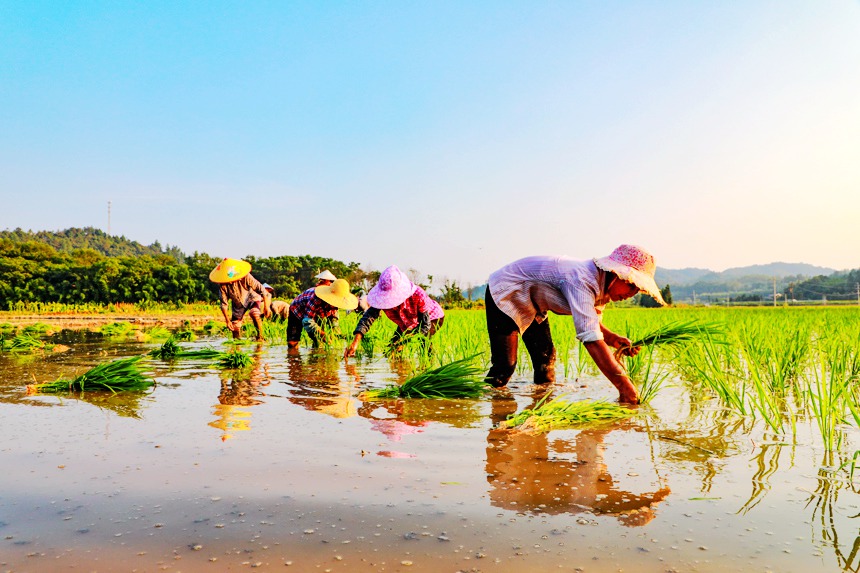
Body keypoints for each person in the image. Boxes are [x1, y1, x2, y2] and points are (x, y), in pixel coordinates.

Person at [484, 244, 666, 404]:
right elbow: (591, 338)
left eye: (638, 289)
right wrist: (625, 387)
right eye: (632, 285)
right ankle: (490, 405)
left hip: (532, 303)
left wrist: (612, 339)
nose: (632, 293)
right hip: (506, 290)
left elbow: (591, 322)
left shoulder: (603, 286)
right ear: (616, 274)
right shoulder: (582, 279)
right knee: (505, 365)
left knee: (546, 358)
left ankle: (541, 407)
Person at [344, 265, 444, 358]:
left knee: (424, 342)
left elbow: (425, 326)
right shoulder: (381, 299)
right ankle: (399, 372)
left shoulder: (418, 294)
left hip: (433, 318)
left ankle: (428, 369)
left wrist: (403, 341)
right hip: (407, 322)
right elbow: (367, 318)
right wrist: (355, 342)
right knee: (391, 349)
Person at [288, 278, 358, 347]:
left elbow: (334, 320)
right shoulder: (315, 298)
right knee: (293, 343)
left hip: (318, 314)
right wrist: (323, 334)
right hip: (297, 311)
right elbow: (307, 321)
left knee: (319, 340)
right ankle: (293, 355)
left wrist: (336, 334)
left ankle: (316, 353)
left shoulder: (335, 304)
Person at [209, 258, 267, 341]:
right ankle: (237, 344)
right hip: (238, 304)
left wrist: (266, 307)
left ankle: (260, 337)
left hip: (252, 298)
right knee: (235, 325)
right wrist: (227, 321)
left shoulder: (245, 277)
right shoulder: (223, 286)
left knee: (254, 313)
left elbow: (262, 290)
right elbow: (223, 304)